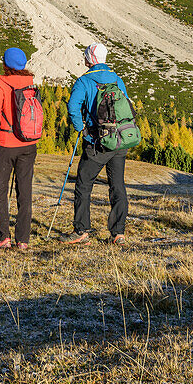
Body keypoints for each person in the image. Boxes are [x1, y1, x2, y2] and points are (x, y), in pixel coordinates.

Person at [62, 42, 129, 245]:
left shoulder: (84, 81)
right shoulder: (117, 79)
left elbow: (73, 107)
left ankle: (81, 230)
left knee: (84, 184)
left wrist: (79, 127)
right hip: (119, 140)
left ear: (91, 59)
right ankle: (118, 233)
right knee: (117, 185)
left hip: (97, 142)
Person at [0, 47, 39, 250]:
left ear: (6, 64)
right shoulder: (30, 83)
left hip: (6, 142)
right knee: (24, 191)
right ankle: (23, 239)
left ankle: (3, 237)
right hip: (28, 143)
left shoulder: (0, 83)